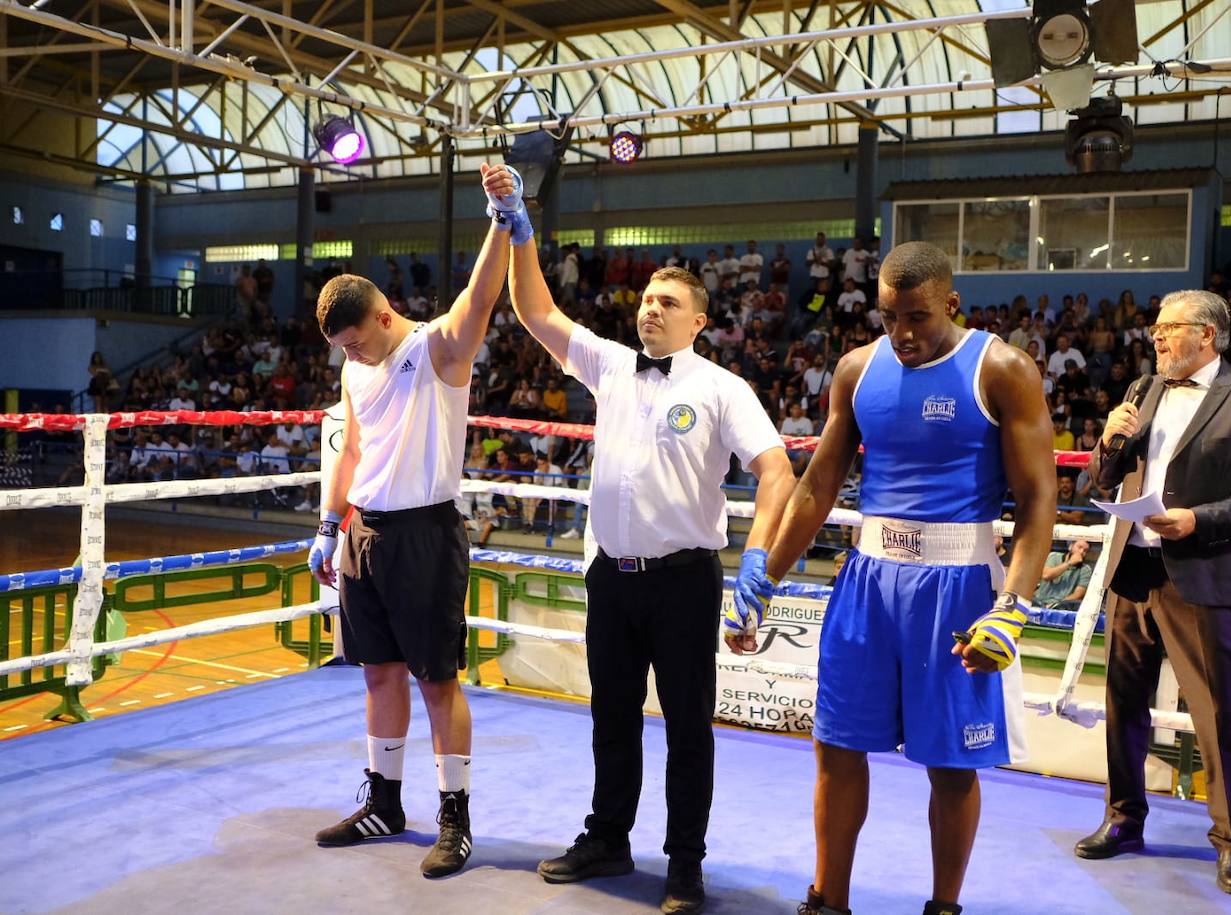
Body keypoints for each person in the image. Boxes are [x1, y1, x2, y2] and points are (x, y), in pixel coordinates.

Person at [485, 165, 796, 915]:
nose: (652, 308)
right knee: (611, 716)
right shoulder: (610, 364)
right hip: (610, 577)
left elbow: (777, 469)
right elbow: (533, 309)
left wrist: (759, 555)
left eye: (669, 302)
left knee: (689, 727)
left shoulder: (722, 388)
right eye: (648, 298)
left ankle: (684, 863)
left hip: (685, 580)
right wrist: (515, 223)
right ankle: (608, 836)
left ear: (698, 322)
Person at [759, 241, 1057, 915]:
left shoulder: (1002, 367)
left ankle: (943, 907)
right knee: (835, 746)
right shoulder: (857, 369)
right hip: (867, 582)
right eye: (889, 316)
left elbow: (1040, 498)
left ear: (951, 303)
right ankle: (826, 900)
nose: (902, 333)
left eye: (917, 316)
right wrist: (764, 576)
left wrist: (1014, 604)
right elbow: (818, 485)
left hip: (958, 585)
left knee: (951, 763)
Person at [306, 165, 513, 879]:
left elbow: (480, 297)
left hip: (427, 533)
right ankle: (385, 801)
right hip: (365, 533)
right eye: (343, 347)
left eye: (357, 340)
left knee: (436, 679)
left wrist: (502, 215)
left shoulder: (435, 350)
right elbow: (353, 446)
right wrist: (330, 525)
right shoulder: (353, 369)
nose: (352, 353)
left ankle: (454, 815)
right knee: (378, 674)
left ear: (384, 314)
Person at [1078, 290, 1231, 896]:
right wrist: (1108, 443)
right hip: (1134, 570)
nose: (1157, 338)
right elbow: (1103, 478)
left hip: (1203, 574)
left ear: (1207, 334)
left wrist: (1199, 519)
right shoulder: (1142, 391)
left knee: (1218, 716)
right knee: (1123, 708)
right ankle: (1123, 818)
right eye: (1156, 329)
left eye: (1169, 329)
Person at [1035, 540, 1093, 610]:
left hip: (1063, 606)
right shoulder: (1054, 557)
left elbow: (1078, 594)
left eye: (1085, 550)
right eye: (1079, 547)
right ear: (1070, 547)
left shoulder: (1085, 569)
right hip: (1040, 601)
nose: (1081, 552)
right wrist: (1069, 563)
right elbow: (1046, 575)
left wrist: (1056, 605)